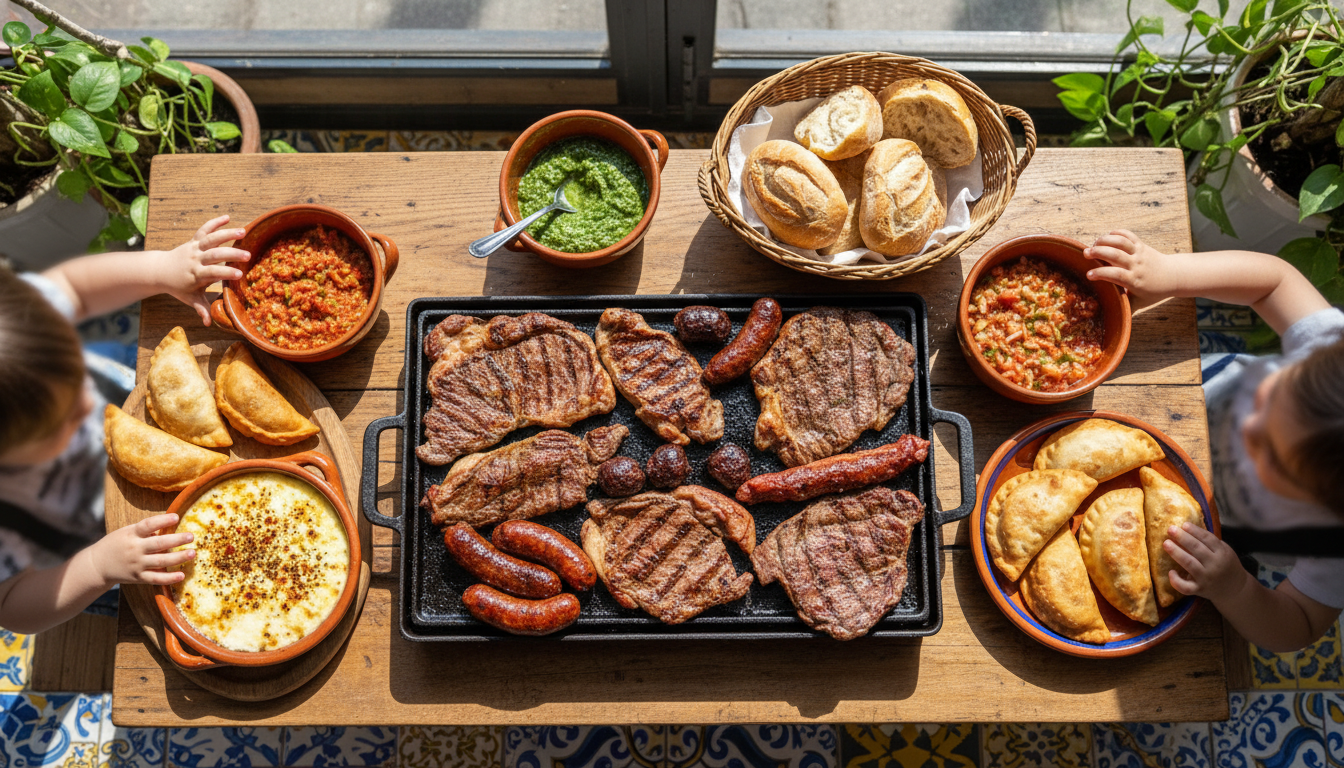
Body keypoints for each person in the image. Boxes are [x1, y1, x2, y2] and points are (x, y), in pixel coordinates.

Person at [1086, 229, 1344, 653]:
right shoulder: (1333, 350)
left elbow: (1298, 625)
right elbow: (1275, 280)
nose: (1250, 427)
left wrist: (1235, 588)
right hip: (1187, 393)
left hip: (1214, 537)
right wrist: (1169, 272)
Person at [0, 216, 250, 634]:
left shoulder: (18, 330)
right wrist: (98, 567)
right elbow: (11, 607)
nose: (86, 406)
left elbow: (73, 288)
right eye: (60, 422)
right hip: (79, 553)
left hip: (138, 431)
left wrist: (161, 269)